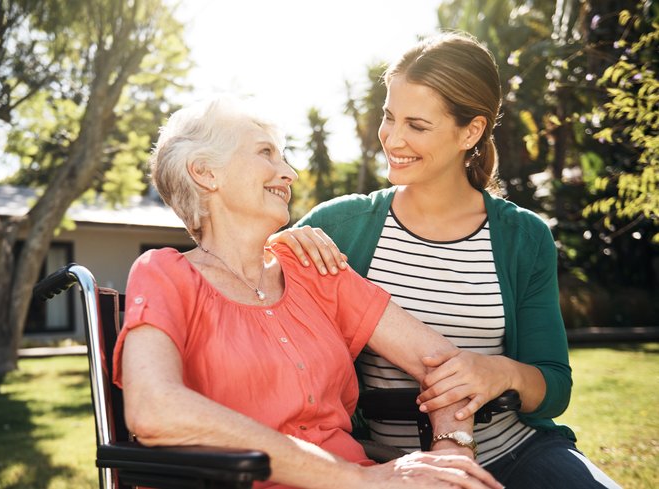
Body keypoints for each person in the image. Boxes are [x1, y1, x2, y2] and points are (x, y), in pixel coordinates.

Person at [275, 32, 620, 488]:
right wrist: (281, 246)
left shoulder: (523, 236)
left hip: (516, 453)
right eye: (389, 117)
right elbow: (257, 300)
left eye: (417, 126)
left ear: (471, 131)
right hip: (381, 465)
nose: (393, 138)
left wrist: (499, 372)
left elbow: (554, 387)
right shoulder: (340, 226)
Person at [112, 97, 504, 489]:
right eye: (266, 153)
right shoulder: (165, 273)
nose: (289, 174)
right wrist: (359, 479)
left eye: (284, 158)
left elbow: (440, 362)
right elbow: (154, 409)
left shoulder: (312, 268)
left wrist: (452, 451)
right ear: (205, 172)